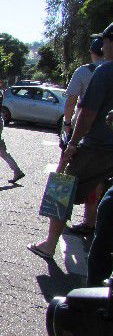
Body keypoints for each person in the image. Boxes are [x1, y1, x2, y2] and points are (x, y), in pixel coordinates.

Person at [28, 22, 113, 260]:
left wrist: (72, 143)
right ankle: (90, 224)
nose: (102, 44)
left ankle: (50, 243)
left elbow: (86, 113)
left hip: (95, 145)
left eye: (105, 40)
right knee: (100, 189)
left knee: (61, 189)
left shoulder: (104, 71)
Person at [61, 37, 106, 236]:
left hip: (87, 135)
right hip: (107, 138)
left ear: (92, 51)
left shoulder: (86, 71)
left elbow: (73, 103)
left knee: (65, 178)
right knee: (99, 180)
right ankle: (91, 220)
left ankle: (55, 226)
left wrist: (68, 126)